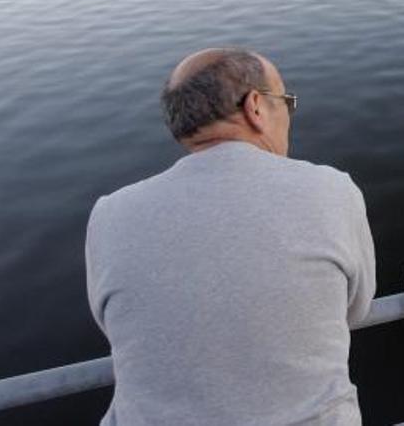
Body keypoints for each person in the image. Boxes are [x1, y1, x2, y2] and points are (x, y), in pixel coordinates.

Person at [85, 48, 376, 425]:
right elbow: (355, 307)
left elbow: (113, 322)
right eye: (286, 102)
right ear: (256, 106)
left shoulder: (111, 214)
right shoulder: (333, 190)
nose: (289, 115)